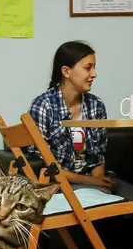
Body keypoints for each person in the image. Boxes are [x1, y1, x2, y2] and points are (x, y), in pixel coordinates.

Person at [28, 41, 112, 190]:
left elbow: (98, 157)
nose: (94, 74)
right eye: (88, 68)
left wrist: (99, 186)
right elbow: (46, 165)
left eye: (94, 68)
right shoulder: (43, 106)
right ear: (66, 72)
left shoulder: (96, 105)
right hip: (58, 185)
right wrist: (91, 182)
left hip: (89, 184)